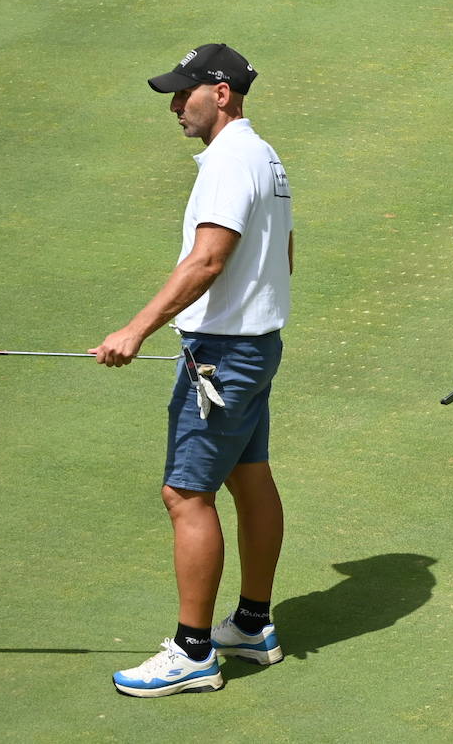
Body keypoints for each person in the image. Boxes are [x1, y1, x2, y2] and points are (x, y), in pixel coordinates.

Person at [92, 43, 293, 696]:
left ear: (222, 94)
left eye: (186, 94)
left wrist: (135, 329)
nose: (177, 106)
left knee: (185, 495)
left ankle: (194, 651)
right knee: (249, 475)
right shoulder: (264, 155)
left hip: (223, 354)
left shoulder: (231, 161)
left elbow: (207, 260)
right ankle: (253, 626)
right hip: (256, 345)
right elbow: (283, 253)